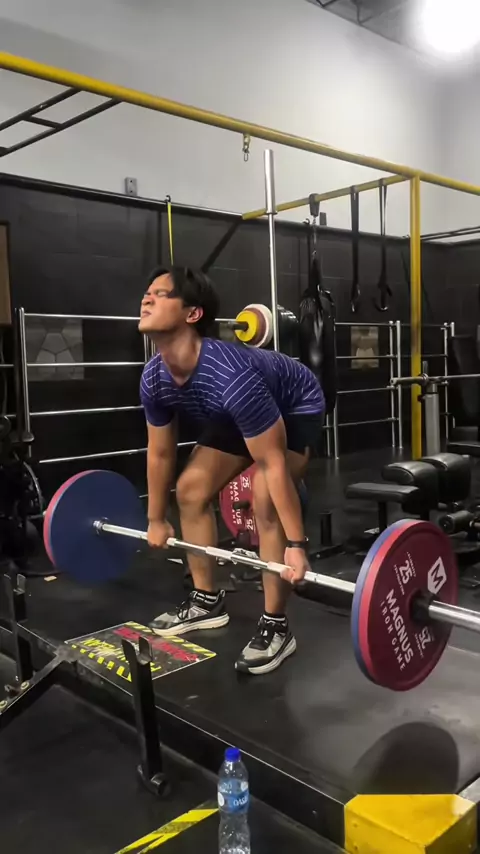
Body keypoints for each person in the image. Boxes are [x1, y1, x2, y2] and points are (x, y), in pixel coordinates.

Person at [139, 266, 325, 675]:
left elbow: (272, 463)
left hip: (295, 404)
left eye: (161, 294)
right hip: (234, 412)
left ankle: (276, 626)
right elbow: (160, 454)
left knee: (265, 499)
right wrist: (155, 519)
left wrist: (297, 544)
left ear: (192, 314)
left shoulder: (231, 377)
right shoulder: (154, 377)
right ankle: (206, 601)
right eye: (147, 292)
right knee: (190, 490)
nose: (146, 299)